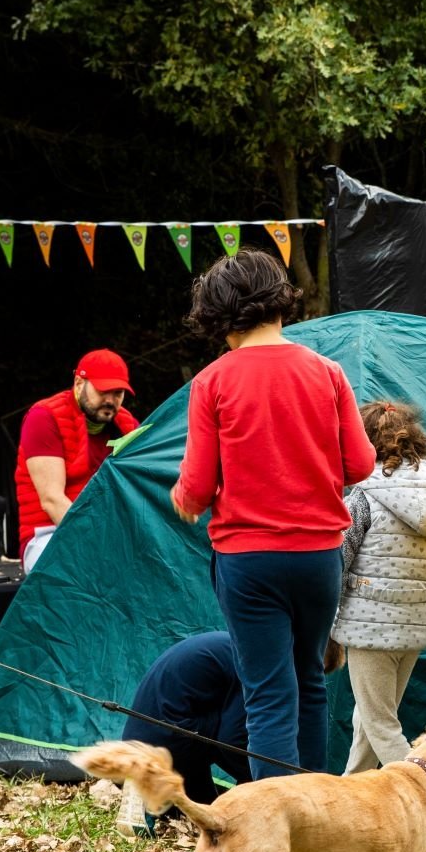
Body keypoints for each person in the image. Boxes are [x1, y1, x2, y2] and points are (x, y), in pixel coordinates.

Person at [172, 250, 375, 779]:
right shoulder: (328, 373)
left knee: (267, 694)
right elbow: (360, 462)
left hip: (248, 560)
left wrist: (185, 500)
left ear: (218, 316)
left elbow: (196, 486)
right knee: (309, 681)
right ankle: (316, 821)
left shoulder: (213, 382)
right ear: (280, 304)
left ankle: (275, 829)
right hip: (318, 558)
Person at [334, 400, 426, 773]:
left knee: (380, 723)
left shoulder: (362, 495)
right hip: (415, 624)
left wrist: (322, 622)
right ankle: (352, 793)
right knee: (372, 717)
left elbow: (339, 562)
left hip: (368, 627)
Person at [14, 349, 139, 574]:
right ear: (79, 382)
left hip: (110, 535)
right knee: (88, 571)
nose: (111, 400)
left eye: (118, 392)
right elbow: (52, 500)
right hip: (49, 534)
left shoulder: (128, 425)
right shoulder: (43, 417)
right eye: (103, 391)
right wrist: (101, 545)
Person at [119, 631, 251, 824]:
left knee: (208, 810)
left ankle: (152, 794)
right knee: (227, 728)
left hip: (145, 741)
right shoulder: (252, 667)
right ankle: (148, 786)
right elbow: (230, 740)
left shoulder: (232, 646)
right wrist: (255, 778)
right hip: (171, 737)